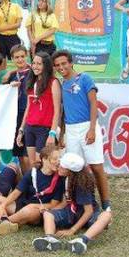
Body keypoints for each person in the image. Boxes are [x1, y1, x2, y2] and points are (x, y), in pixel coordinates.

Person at [52, 50, 111, 212]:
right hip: (71, 130)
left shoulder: (84, 78)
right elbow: (63, 112)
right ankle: (82, 203)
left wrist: (92, 129)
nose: (61, 67)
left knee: (96, 167)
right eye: (57, 65)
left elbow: (93, 104)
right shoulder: (62, 85)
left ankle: (106, 205)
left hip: (87, 126)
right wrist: (61, 135)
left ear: (71, 63)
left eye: (64, 63)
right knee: (74, 168)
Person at [32, 152, 112, 255]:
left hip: (87, 216)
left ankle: (82, 240)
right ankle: (50, 239)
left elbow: (89, 211)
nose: (59, 166)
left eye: (62, 166)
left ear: (70, 171)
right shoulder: (65, 177)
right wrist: (50, 210)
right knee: (47, 214)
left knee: (106, 215)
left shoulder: (82, 184)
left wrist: (72, 230)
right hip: (71, 212)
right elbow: (66, 201)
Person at [0, 145, 65, 235]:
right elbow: (16, 192)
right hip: (22, 206)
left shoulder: (59, 179)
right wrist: (3, 205)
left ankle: (4, 221)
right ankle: (8, 221)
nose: (58, 162)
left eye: (59, 159)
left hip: (38, 211)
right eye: (55, 159)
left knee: (29, 210)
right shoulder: (33, 172)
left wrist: (34, 206)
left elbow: (53, 204)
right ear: (44, 159)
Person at [16, 51, 61, 167]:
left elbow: (57, 110)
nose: (35, 66)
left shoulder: (53, 82)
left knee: (41, 163)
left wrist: (52, 133)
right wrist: (21, 129)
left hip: (44, 129)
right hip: (30, 128)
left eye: (39, 64)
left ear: (46, 65)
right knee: (32, 164)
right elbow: (28, 108)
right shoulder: (31, 82)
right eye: (34, 63)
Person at [2, 44, 31, 173]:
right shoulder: (11, 76)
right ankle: (26, 181)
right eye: (16, 57)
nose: (20, 59)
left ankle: (33, 182)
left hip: (29, 114)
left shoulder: (33, 73)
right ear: (12, 59)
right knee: (20, 154)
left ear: (27, 56)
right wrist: (8, 83)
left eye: (22, 56)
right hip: (15, 115)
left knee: (28, 154)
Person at [0, 0, 22, 68]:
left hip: (13, 37)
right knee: (1, 62)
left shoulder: (16, 6)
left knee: (18, 60)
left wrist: (1, 28)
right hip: (0, 38)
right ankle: (3, 76)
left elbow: (18, 24)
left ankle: (19, 75)